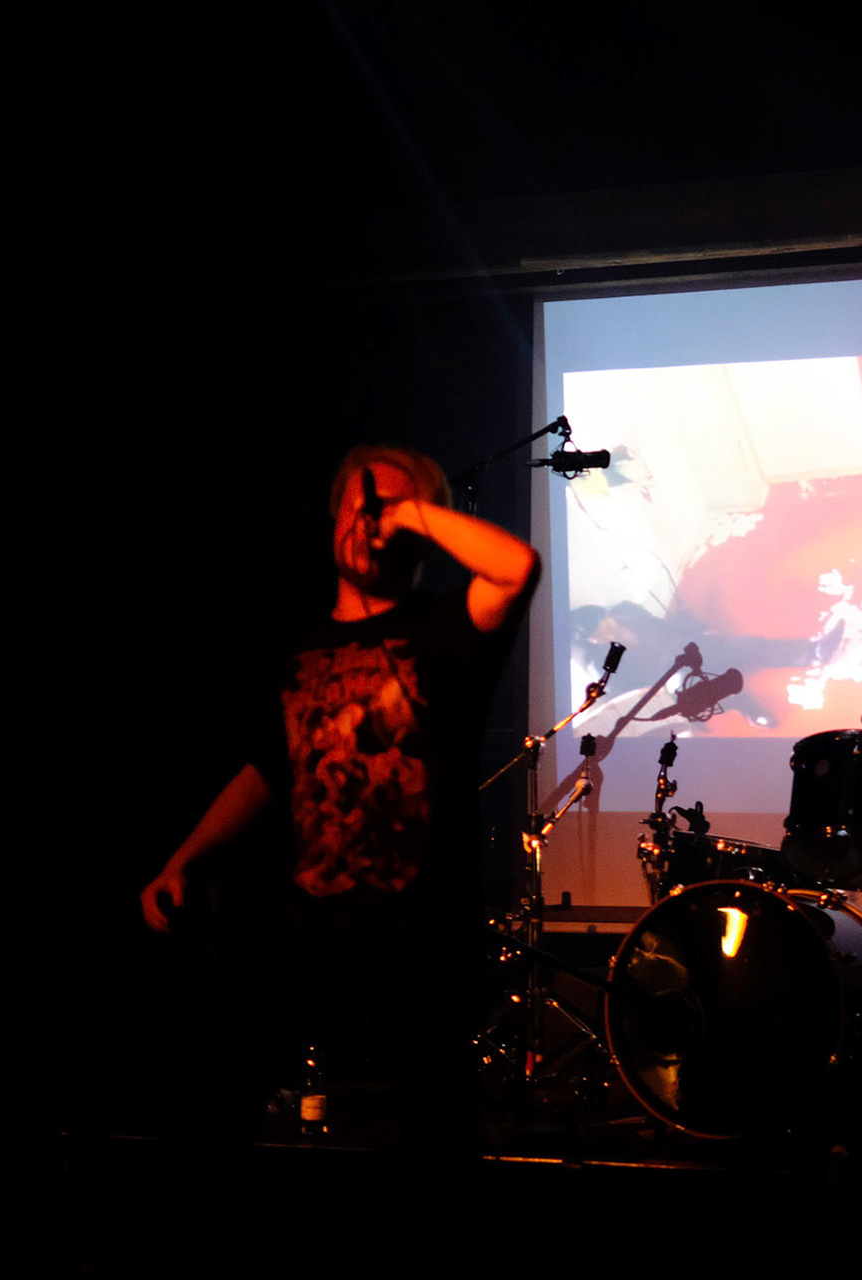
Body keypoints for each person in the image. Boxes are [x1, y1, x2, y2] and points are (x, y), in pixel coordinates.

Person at [140, 444, 540, 1149]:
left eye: (390, 509)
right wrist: (184, 858)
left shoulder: (448, 628)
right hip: (305, 926)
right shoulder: (296, 644)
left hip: (424, 938)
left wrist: (409, 512)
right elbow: (269, 768)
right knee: (224, 1105)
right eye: (359, 508)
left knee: (435, 1134)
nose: (370, 522)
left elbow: (517, 567)